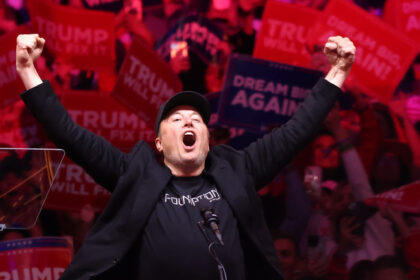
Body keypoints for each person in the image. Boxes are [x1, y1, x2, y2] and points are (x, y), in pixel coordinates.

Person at [15, 33, 355, 279]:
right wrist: (29, 71)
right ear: (159, 144)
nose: (189, 121)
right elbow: (70, 135)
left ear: (207, 139)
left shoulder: (239, 168)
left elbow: (296, 131)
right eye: (176, 119)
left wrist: (337, 71)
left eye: (197, 119)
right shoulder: (134, 172)